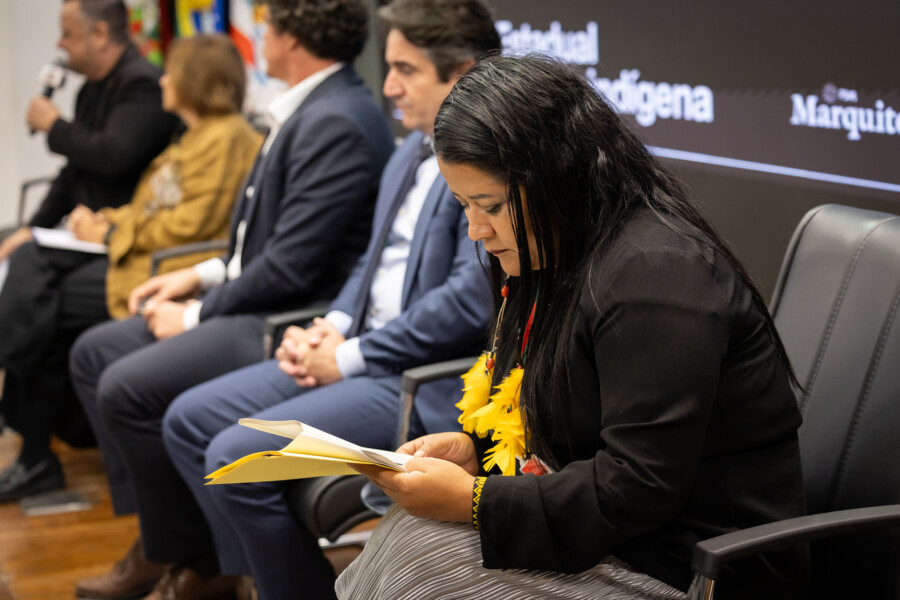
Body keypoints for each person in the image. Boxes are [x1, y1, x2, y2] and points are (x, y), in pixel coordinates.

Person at [338, 55, 812, 600]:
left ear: (556, 178)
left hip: (686, 565)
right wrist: (475, 450)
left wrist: (474, 499)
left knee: (417, 571)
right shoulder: (547, 250)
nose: (475, 230)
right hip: (616, 537)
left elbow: (638, 486)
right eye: (463, 204)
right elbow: (554, 417)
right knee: (407, 535)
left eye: (489, 205)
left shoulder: (657, 274)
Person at [159, 1, 500, 599]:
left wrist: (346, 356)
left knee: (231, 456)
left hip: (415, 377)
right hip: (358, 352)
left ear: (462, 72)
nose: (388, 86)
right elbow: (369, 263)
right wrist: (332, 326)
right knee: (187, 420)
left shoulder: (488, 166)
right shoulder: (407, 152)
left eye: (406, 70)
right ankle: (251, 581)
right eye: (388, 67)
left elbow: (465, 303)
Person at [69, 1, 395, 598]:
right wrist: (200, 275)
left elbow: (292, 267)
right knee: (94, 353)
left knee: (126, 386)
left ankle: (198, 560)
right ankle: (172, 542)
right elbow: (257, 242)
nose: (259, 38)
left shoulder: (336, 120)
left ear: (292, 38)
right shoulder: (308, 106)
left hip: (283, 316)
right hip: (256, 297)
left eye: (267, 26)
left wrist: (195, 313)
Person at [0, 34, 258, 503]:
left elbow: (190, 225)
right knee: (32, 279)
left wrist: (110, 234)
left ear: (195, 80)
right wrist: (105, 221)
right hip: (142, 256)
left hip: (165, 268)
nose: (162, 81)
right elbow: (150, 209)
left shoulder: (225, 138)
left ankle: (40, 444)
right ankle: (38, 444)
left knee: (41, 301)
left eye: (171, 72)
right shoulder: (193, 137)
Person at [1, 0, 176, 260]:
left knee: (26, 264)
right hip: (81, 231)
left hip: (121, 236)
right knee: (12, 243)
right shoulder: (90, 90)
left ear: (99, 34)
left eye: (67, 34)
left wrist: (54, 126)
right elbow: (74, 171)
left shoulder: (143, 84)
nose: (59, 44)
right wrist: (32, 229)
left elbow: (113, 157)